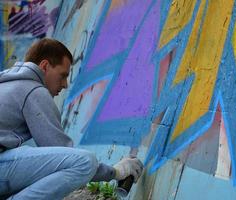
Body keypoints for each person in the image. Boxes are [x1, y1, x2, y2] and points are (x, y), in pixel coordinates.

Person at [0, 38, 143, 200]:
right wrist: (116, 172)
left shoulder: (7, 84)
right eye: (62, 76)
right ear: (45, 66)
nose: (65, 84)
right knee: (85, 161)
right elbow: (64, 153)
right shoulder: (34, 91)